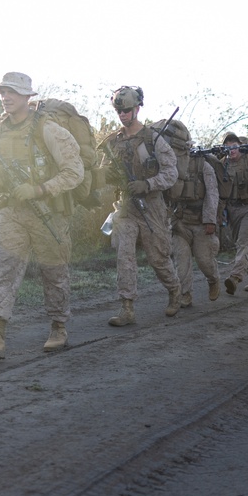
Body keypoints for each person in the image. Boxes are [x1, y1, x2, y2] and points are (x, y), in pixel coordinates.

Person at [0, 72, 84, 359]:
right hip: (12, 213)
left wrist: (40, 189)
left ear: (27, 96)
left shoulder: (48, 129)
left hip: (48, 214)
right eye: (3, 92)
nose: (5, 97)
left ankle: (58, 327)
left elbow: (74, 171)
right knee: (2, 271)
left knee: (54, 272)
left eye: (12, 92)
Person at [97, 86, 181, 326]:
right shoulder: (113, 142)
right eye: (119, 111)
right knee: (124, 256)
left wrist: (148, 184)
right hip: (126, 206)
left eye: (126, 110)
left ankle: (175, 290)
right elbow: (105, 172)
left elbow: (171, 173)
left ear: (137, 109)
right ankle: (127, 307)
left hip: (152, 205)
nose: (122, 115)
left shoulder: (152, 139)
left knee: (158, 258)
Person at [159, 118, 223, 305]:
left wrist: (210, 220)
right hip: (180, 221)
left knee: (204, 260)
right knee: (182, 260)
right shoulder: (167, 165)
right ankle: (185, 295)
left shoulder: (202, 164)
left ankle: (213, 279)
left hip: (202, 222)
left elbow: (212, 192)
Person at [219, 132, 248, 294]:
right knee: (244, 244)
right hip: (233, 210)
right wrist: (221, 211)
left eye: (234, 147)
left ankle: (235, 276)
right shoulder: (222, 164)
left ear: (240, 146)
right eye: (227, 147)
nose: (231, 150)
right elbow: (219, 190)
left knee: (243, 241)